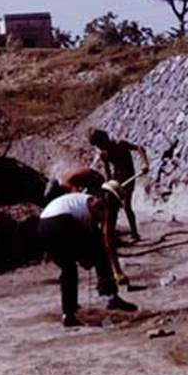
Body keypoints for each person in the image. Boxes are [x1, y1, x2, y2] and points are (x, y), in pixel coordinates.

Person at [38, 183, 137, 327]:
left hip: (43, 225)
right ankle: (110, 296)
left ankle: (69, 313)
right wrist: (106, 265)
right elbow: (104, 239)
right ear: (109, 196)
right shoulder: (97, 203)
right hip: (61, 222)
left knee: (68, 269)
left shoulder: (83, 200)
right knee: (99, 254)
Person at [88, 128, 149, 241]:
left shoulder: (120, 144)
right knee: (110, 206)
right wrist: (108, 185)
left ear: (105, 138)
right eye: (98, 145)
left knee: (126, 206)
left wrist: (145, 163)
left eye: (100, 143)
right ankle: (110, 234)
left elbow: (140, 148)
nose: (100, 147)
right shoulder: (104, 154)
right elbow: (108, 173)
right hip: (117, 178)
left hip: (129, 176)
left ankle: (134, 233)